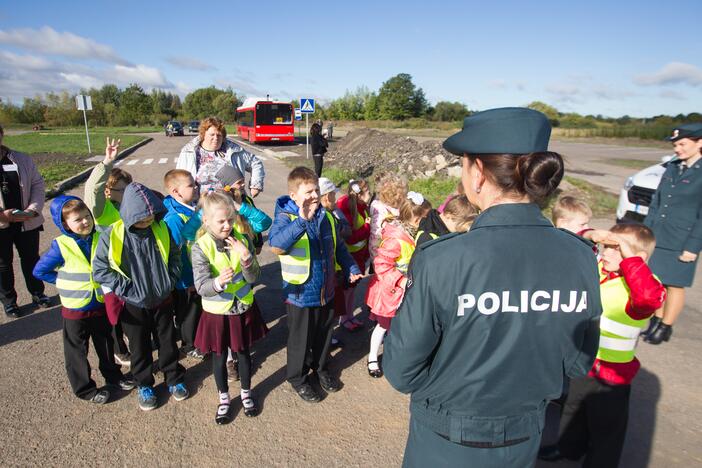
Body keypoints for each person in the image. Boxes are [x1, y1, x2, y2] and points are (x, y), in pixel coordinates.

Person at [383, 107, 602, 468]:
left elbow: (401, 370)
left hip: (444, 442)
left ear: (479, 173)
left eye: (464, 163)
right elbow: (578, 363)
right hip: (523, 439)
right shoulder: (579, 256)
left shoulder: (443, 259)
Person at [539, 223, 665, 467]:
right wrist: (590, 235)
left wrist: (631, 262)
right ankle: (568, 447)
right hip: (584, 363)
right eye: (605, 247)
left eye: (615, 248)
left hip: (611, 377)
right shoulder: (599, 270)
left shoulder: (642, 287)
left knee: (606, 431)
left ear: (637, 258)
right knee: (573, 411)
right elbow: (569, 251)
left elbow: (650, 298)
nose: (605, 252)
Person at [268, 167, 362, 402]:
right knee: (300, 340)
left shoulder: (327, 216)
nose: (313, 195)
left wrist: (351, 267)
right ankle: (298, 378)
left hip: (326, 290)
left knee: (323, 335)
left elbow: (339, 247)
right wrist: (301, 221)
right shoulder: (286, 217)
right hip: (300, 294)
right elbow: (277, 246)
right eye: (308, 191)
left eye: (316, 190)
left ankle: (320, 368)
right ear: (294, 196)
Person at [92, 182, 187, 411]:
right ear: (130, 214)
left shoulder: (160, 228)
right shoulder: (113, 235)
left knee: (167, 342)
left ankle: (173, 377)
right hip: (133, 304)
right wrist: (126, 289)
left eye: (152, 216)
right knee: (139, 347)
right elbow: (100, 269)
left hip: (162, 299)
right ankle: (144, 384)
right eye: (143, 218)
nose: (148, 221)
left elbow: (175, 255)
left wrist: (169, 280)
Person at [32, 195, 135, 403]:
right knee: (77, 350)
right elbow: (40, 271)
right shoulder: (60, 246)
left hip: (99, 302)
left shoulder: (100, 236)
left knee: (105, 342)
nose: (85, 221)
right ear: (65, 224)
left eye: (87, 216)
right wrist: (62, 281)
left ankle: (114, 376)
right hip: (75, 308)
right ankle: (85, 389)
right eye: (77, 220)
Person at [192, 191, 269, 424]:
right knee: (219, 356)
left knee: (244, 353)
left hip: (242, 308)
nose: (227, 225)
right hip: (217, 312)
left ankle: (246, 393)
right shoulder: (200, 247)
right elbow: (201, 286)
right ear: (206, 221)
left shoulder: (242, 240)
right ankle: (224, 398)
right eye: (221, 221)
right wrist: (218, 282)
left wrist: (246, 258)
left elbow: (254, 276)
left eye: (230, 220)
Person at [642, 123, 702, 344]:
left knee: (675, 284)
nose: (677, 149)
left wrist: (693, 247)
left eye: (682, 144)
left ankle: (666, 326)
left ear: (700, 143)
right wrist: (647, 233)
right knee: (659, 280)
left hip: (683, 238)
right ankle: (657, 321)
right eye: (676, 144)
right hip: (660, 234)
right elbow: (657, 203)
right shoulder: (673, 167)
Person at [365, 191, 429, 378]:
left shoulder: (414, 234)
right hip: (391, 291)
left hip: (405, 288)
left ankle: (396, 356)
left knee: (399, 326)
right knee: (383, 326)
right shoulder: (396, 239)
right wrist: (400, 281)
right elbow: (381, 264)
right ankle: (372, 357)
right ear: (417, 219)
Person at [85, 138, 133, 365]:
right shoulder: (101, 211)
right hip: (111, 272)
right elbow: (92, 190)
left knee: (129, 310)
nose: (126, 193)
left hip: (130, 268)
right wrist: (106, 163)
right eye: (122, 189)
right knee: (113, 313)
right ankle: (119, 348)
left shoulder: (127, 207)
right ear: (108, 190)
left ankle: (130, 339)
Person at [0, 123, 49, 318]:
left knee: (31, 258)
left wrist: (33, 210)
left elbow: (37, 184)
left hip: (27, 220)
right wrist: (3, 215)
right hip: (2, 223)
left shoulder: (21, 159)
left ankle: (38, 293)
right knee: (3, 264)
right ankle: (9, 302)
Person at [162, 169, 203, 360]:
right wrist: (188, 281)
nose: (196, 187)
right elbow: (178, 254)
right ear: (175, 192)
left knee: (195, 310)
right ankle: (189, 345)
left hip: (196, 273)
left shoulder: (190, 208)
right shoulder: (174, 219)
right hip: (187, 279)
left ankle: (195, 339)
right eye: (190, 185)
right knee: (188, 313)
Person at [176, 116, 265, 197]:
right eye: (212, 135)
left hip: (231, 205)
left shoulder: (234, 150)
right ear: (203, 135)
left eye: (219, 135)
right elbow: (178, 178)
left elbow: (256, 163)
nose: (216, 138)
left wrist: (255, 186)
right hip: (198, 206)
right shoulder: (188, 152)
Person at [318, 177, 352, 348]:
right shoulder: (327, 217)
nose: (336, 199)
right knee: (328, 310)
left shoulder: (332, 213)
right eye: (333, 195)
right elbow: (346, 232)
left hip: (334, 270)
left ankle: (327, 337)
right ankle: (324, 341)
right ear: (325, 197)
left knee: (333, 308)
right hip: (329, 272)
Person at [335, 178, 372, 331]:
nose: (370, 195)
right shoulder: (347, 207)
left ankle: (349, 315)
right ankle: (344, 318)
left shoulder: (361, 206)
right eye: (368, 192)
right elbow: (350, 236)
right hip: (350, 257)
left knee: (352, 289)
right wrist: (367, 226)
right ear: (359, 194)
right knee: (346, 290)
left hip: (359, 255)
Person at [368, 172, 408, 263]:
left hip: (399, 247)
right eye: (403, 197)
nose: (405, 199)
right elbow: (376, 237)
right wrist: (377, 260)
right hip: (384, 255)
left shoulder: (398, 207)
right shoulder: (379, 210)